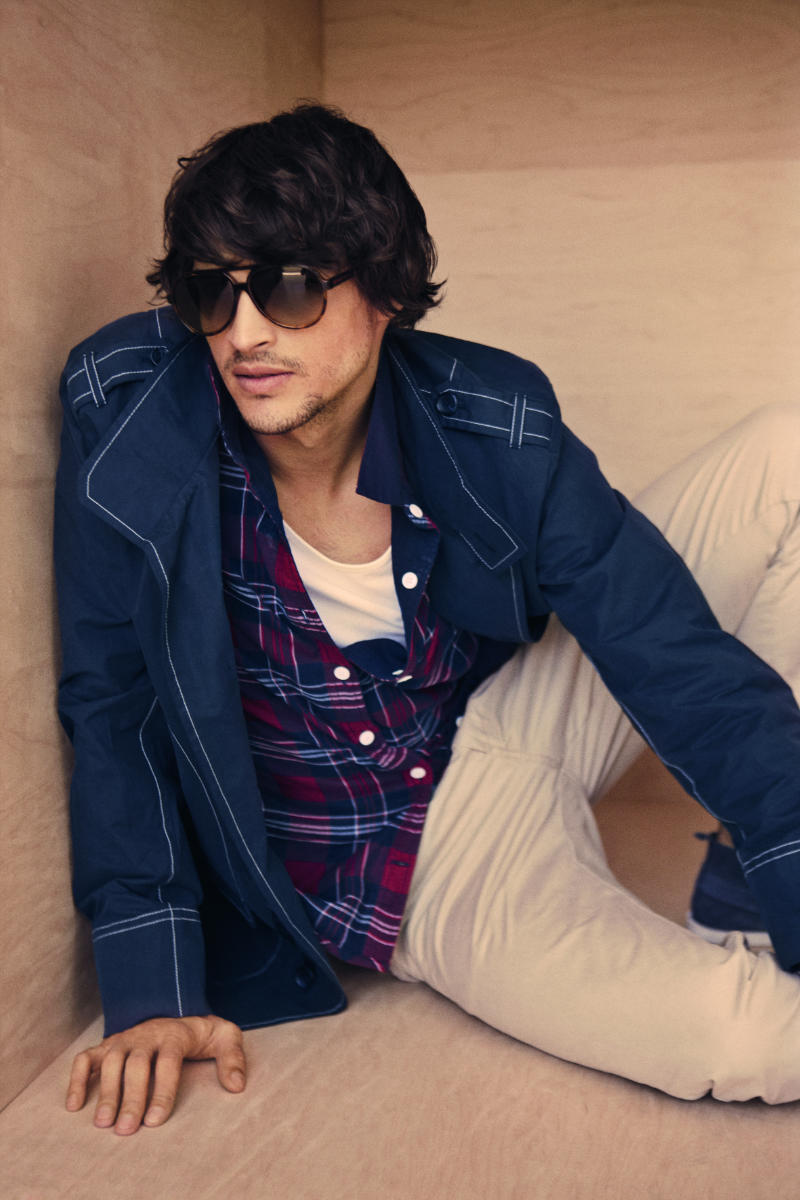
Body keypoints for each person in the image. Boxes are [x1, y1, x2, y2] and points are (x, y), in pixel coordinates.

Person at [55, 102, 800, 1135]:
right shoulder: (130, 414)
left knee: (785, 451)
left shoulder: (495, 419)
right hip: (430, 866)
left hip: (510, 711)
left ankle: (752, 887)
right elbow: (115, 705)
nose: (245, 332)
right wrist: (152, 979)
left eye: (289, 287)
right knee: (752, 1046)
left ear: (387, 293)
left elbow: (663, 642)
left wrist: (782, 842)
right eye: (210, 292)